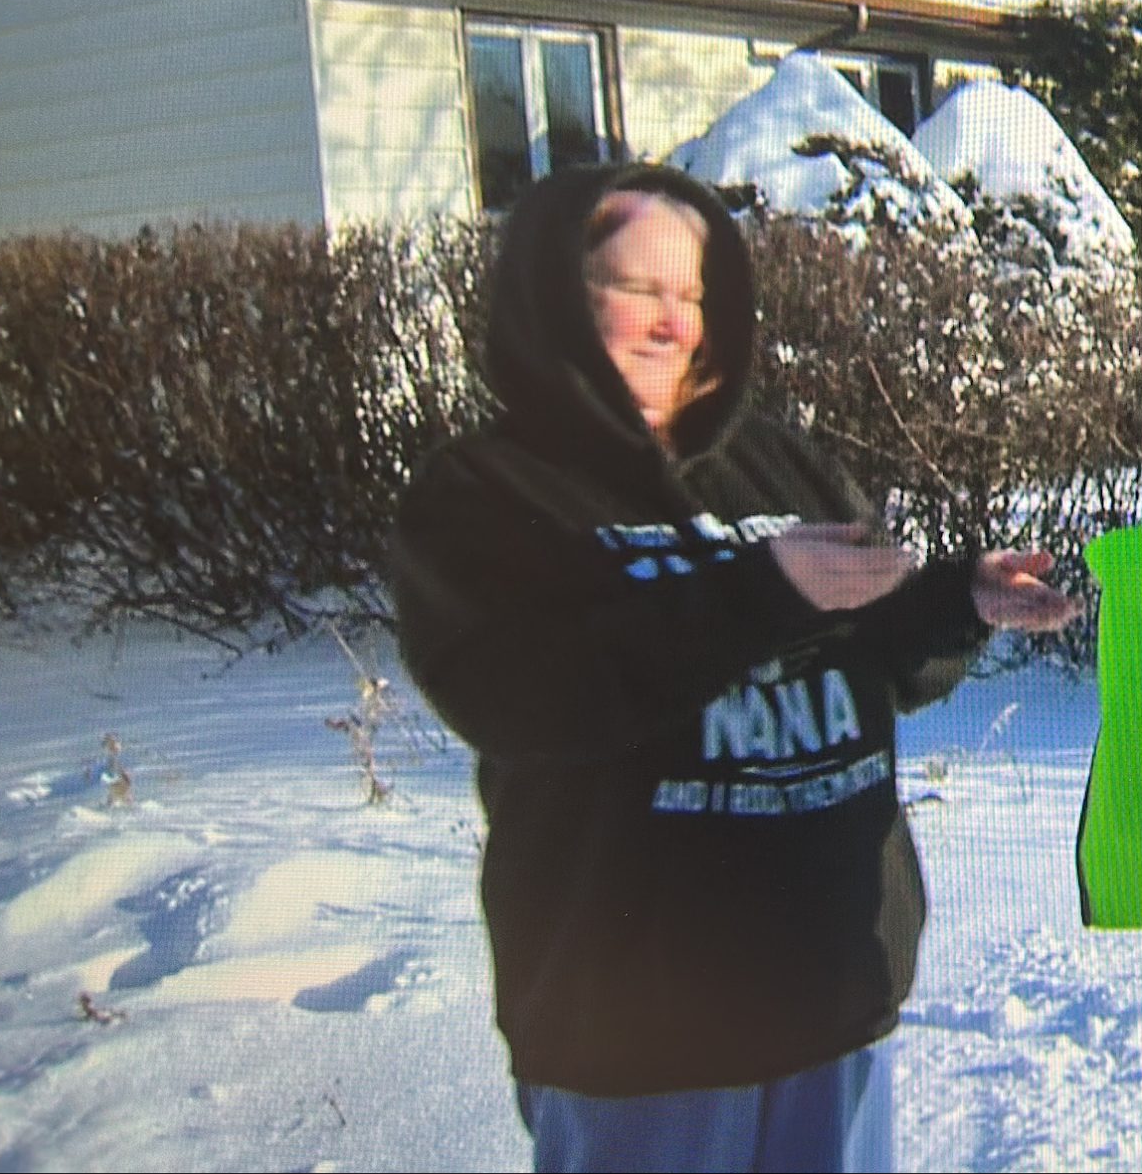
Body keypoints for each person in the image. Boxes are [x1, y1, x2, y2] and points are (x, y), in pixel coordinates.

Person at [388, 162, 1074, 1173]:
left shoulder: (780, 463)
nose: (674, 323)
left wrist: (954, 603)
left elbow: (867, 653)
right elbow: (521, 697)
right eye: (638, 290)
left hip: (828, 996)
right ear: (553, 297)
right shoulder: (487, 491)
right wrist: (758, 592)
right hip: (641, 1036)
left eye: (692, 294)